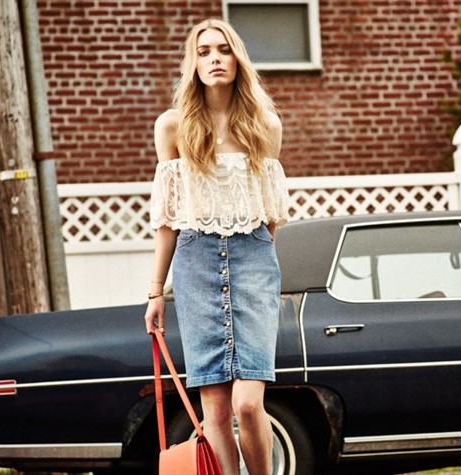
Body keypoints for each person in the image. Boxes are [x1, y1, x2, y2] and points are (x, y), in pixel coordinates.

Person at [143, 18, 289, 475]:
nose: (214, 59)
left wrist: (261, 267)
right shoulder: (172, 127)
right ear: (193, 63)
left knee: (247, 403)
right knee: (217, 411)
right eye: (203, 52)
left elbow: (271, 217)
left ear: (238, 59)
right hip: (196, 264)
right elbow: (168, 220)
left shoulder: (265, 126)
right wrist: (156, 292)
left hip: (252, 258)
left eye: (223, 50)